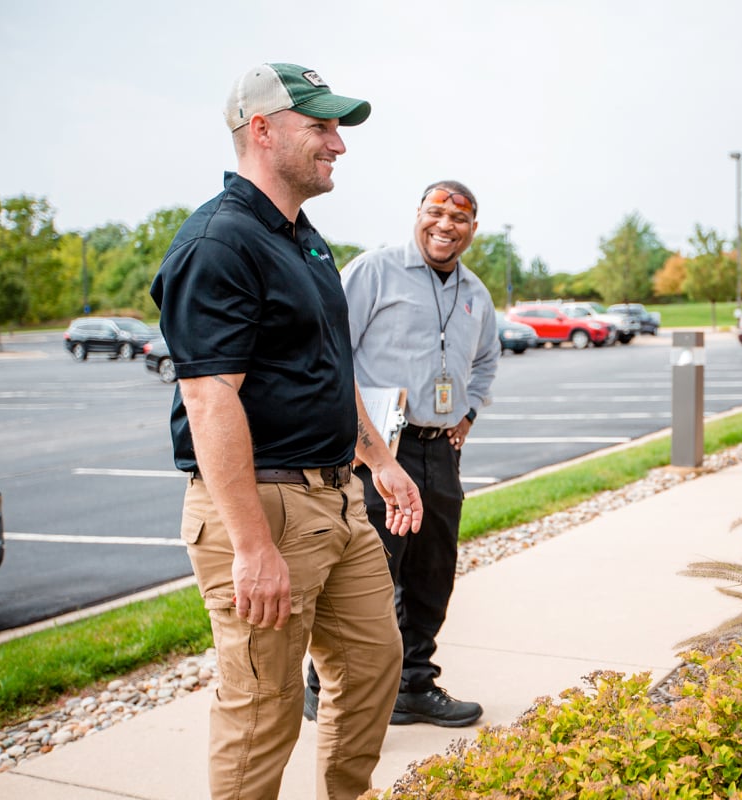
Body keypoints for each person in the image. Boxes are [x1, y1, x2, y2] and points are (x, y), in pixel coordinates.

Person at [149, 63, 423, 800]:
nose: (338, 144)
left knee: (372, 667)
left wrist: (379, 461)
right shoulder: (219, 242)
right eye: (321, 126)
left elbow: (328, 366)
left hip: (335, 500)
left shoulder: (303, 239)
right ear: (261, 129)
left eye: (337, 128)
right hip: (264, 506)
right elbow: (211, 402)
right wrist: (250, 546)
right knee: (263, 707)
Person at [305, 180, 500, 727]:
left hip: (439, 450)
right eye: (435, 212)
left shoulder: (475, 293)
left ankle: (413, 684)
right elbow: (330, 348)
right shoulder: (374, 270)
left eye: (458, 218)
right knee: (366, 569)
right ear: (417, 215)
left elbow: (486, 362)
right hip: (377, 448)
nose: (445, 225)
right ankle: (327, 686)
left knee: (432, 571)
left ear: (472, 229)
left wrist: (467, 414)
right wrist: (359, 440)